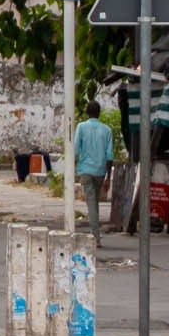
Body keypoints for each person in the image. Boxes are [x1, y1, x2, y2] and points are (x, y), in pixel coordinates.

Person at [74, 98, 115, 243]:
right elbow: (110, 155)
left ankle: (96, 236)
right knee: (94, 201)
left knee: (91, 203)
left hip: (85, 169)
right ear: (99, 113)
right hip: (100, 170)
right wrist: (108, 177)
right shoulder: (107, 130)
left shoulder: (81, 127)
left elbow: (76, 150)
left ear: (87, 112)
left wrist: (74, 168)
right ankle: (95, 232)